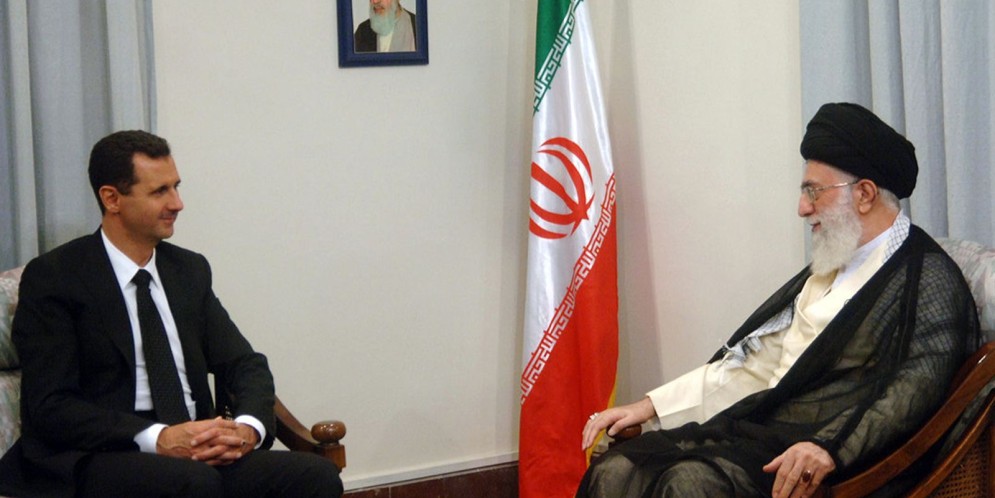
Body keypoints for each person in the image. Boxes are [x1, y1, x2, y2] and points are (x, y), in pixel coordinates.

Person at [577, 103, 981, 498]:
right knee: (616, 469)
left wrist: (829, 447)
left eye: (814, 191)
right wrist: (651, 406)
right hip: (765, 433)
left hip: (840, 459)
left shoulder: (927, 277)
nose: (802, 208)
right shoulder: (831, 266)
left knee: (690, 484)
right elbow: (755, 365)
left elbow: (916, 385)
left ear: (864, 194)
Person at [0, 131, 344, 498]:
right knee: (194, 483)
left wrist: (246, 429)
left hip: (196, 447)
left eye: (176, 187)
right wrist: (159, 437)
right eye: (159, 191)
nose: (177, 203)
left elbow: (245, 364)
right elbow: (51, 406)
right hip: (105, 452)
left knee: (316, 476)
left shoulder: (188, 271)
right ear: (112, 198)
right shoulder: (56, 277)